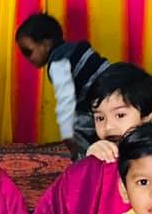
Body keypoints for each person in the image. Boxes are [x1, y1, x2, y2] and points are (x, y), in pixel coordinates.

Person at [15, 12, 109, 160]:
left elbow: (66, 103)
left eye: (28, 52)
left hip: (102, 98)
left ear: (46, 44)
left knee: (76, 130)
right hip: (115, 88)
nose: (28, 58)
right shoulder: (76, 48)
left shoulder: (57, 64)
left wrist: (68, 136)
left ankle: (84, 165)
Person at [84, 62, 152, 163]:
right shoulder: (98, 152)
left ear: (149, 114)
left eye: (120, 115)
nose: (108, 126)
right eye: (100, 118)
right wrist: (90, 161)